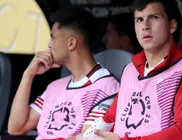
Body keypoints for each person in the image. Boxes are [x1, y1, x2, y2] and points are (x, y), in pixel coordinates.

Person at [77, 0, 182, 139]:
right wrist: (82, 138)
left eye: (154, 17)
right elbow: (109, 118)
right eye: (139, 20)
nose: (145, 26)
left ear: (172, 26)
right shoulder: (130, 70)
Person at [7, 7, 119, 140]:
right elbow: (16, 128)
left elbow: (87, 137)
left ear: (71, 43)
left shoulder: (107, 86)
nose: (49, 45)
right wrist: (28, 75)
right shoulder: (54, 87)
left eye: (53, 38)